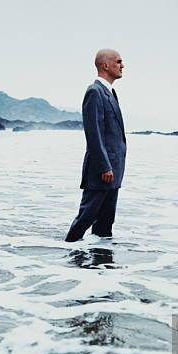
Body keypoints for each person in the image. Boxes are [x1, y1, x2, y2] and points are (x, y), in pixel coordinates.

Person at [65, 49, 127, 242]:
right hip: (103, 171)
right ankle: (67, 258)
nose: (122, 65)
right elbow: (93, 133)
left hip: (113, 170)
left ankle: (100, 266)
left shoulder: (110, 92)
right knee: (85, 219)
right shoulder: (94, 92)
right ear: (105, 65)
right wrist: (105, 166)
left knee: (105, 224)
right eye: (119, 61)